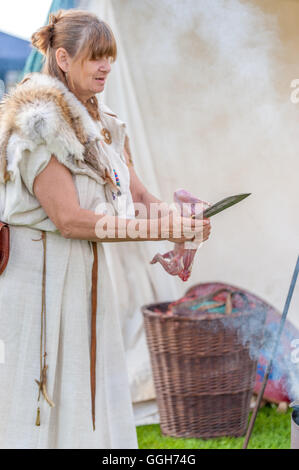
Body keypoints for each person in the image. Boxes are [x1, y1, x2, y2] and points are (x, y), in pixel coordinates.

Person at [0, 9, 211, 449]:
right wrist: (158, 228)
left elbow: (137, 198)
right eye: (96, 57)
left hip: (85, 276)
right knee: (39, 402)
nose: (106, 67)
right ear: (62, 57)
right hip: (40, 275)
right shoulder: (40, 120)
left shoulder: (104, 122)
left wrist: (181, 223)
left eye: (109, 57)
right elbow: (70, 220)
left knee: (86, 395)